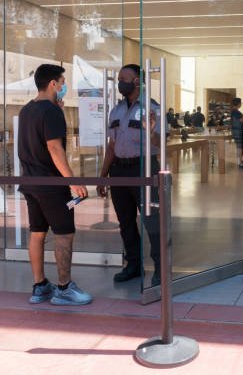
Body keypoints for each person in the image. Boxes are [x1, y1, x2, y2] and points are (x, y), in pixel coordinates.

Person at [17, 64, 91, 306]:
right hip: (51, 185)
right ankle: (64, 288)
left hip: (30, 182)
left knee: (37, 233)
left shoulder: (28, 110)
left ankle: (39, 286)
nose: (63, 86)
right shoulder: (51, 112)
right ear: (52, 84)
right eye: (62, 82)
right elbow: (54, 147)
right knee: (64, 234)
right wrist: (72, 181)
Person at [96, 63, 162, 287]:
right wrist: (103, 175)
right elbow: (112, 145)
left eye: (124, 78)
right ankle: (133, 265)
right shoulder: (116, 110)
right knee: (125, 221)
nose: (119, 82)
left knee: (151, 220)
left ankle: (160, 268)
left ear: (137, 81)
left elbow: (161, 144)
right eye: (118, 79)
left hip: (143, 168)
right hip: (119, 171)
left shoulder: (152, 108)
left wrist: (151, 130)